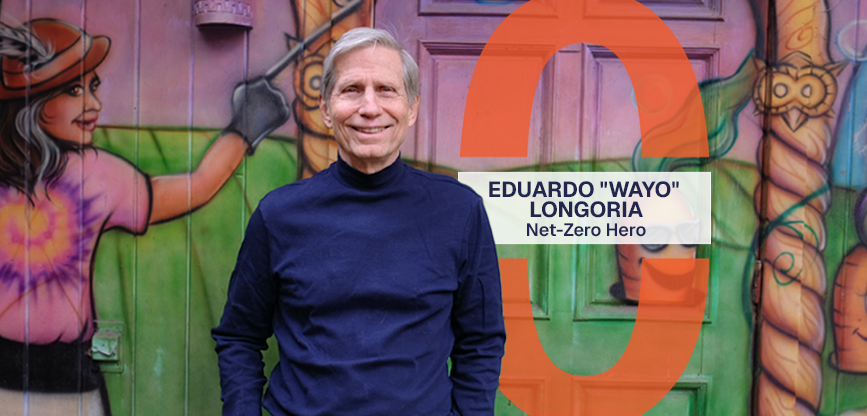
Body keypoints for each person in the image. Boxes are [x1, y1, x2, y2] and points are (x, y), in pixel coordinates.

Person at [0, 18, 289, 415]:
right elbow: (198, 185)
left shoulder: (96, 174)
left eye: (93, 86)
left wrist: (242, 128)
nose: (93, 104)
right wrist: (245, 128)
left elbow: (196, 187)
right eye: (73, 90)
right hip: (67, 383)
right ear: (31, 102)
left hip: (68, 379)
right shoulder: (92, 174)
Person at [212, 27, 506, 416]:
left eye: (386, 90)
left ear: (412, 108)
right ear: (326, 109)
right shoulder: (279, 215)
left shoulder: (459, 211)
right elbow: (239, 335)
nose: (370, 107)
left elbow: (481, 340)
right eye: (352, 90)